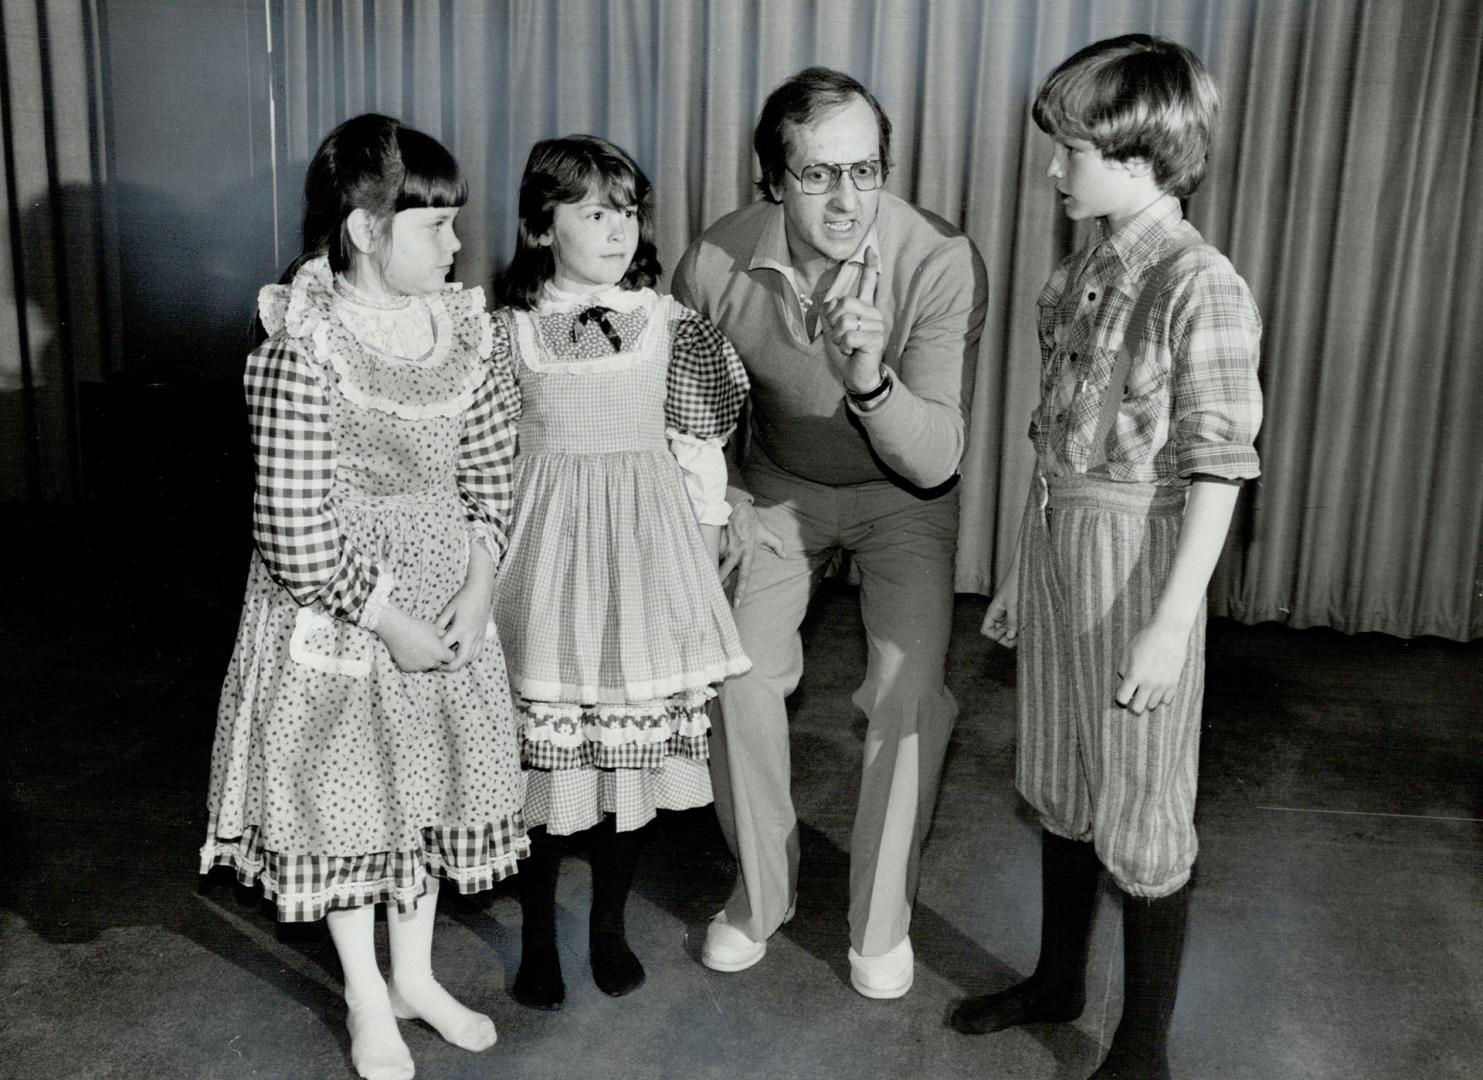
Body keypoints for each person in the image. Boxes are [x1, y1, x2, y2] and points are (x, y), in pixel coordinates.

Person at [947, 35, 1263, 1080]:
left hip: (1140, 559)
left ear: (1138, 156)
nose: (1051, 169)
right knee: (1061, 772)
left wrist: (1170, 625)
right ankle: (1056, 980)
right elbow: (1052, 440)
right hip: (1059, 546)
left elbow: (1219, 470)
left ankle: (1142, 1048)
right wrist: (1017, 572)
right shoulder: (1081, 269)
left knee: (1141, 799)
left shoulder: (1197, 283)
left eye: (1069, 151)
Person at [199, 114, 528, 1080]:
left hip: (444, 592)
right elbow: (293, 530)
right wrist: (387, 620)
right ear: (363, 229)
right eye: (437, 227)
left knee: (423, 787)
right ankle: (363, 992)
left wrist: (478, 582)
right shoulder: (300, 345)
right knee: (347, 801)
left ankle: (416, 976)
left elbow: (489, 465)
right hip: (342, 608)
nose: (460, 246)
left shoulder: (463, 331)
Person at [672, 67, 987, 1000]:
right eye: (817, 175)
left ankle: (878, 921)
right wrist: (720, 499)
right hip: (776, 486)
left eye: (866, 169)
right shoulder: (715, 263)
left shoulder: (938, 257)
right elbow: (690, 417)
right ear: (774, 179)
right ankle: (759, 895)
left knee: (906, 695)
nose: (847, 198)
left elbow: (933, 458)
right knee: (737, 676)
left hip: (901, 498)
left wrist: (868, 379)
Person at [491, 135, 751, 1011]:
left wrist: (708, 532)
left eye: (626, 211)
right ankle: (535, 933)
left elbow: (697, 444)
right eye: (591, 211)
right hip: (543, 558)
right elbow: (485, 456)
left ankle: (606, 924)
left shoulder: (667, 324)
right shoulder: (507, 331)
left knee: (623, 759)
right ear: (540, 225)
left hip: (643, 553)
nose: (614, 230)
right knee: (543, 757)